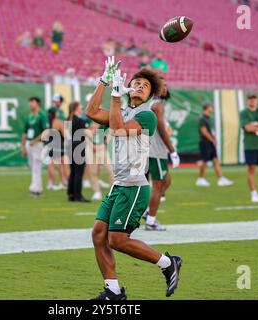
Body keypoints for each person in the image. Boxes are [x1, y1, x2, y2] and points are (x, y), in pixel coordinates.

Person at [86, 56, 182, 300]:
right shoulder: (124, 109)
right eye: (136, 82)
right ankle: (114, 291)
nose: (139, 86)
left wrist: (117, 97)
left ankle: (167, 262)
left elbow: (118, 128)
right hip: (119, 185)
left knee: (117, 240)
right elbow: (92, 111)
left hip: (134, 186)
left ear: (150, 96)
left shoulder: (147, 114)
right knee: (99, 234)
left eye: (145, 85)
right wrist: (104, 81)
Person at [143, 79, 180, 231]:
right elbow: (162, 130)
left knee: (166, 180)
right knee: (157, 186)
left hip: (151, 150)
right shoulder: (157, 105)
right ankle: (151, 221)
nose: (164, 88)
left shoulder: (152, 104)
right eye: (161, 85)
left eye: (165, 85)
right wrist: (173, 150)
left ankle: (146, 212)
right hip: (156, 151)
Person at [196, 102, 233, 187]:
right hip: (205, 142)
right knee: (205, 161)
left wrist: (214, 139)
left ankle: (220, 179)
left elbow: (211, 131)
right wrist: (212, 140)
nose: (212, 109)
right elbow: (204, 131)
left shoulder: (209, 118)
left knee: (215, 160)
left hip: (210, 142)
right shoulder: (202, 118)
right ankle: (200, 179)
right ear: (207, 108)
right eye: (211, 107)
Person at [85, 95, 114, 201]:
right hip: (91, 147)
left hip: (101, 147)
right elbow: (85, 132)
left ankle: (113, 190)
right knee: (92, 171)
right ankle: (96, 191)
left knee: (110, 169)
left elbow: (109, 132)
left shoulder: (104, 117)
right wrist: (91, 145)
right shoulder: (87, 117)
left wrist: (103, 144)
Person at [21, 97, 49, 196]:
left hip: (37, 144)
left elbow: (46, 131)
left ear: (37, 103)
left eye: (32, 102)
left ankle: (34, 189)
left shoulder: (42, 115)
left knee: (37, 167)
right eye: (30, 102)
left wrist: (35, 140)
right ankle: (38, 188)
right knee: (33, 166)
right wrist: (23, 146)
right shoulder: (29, 116)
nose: (30, 104)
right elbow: (24, 133)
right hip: (29, 144)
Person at [67, 101, 90, 202]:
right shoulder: (79, 120)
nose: (81, 108)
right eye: (80, 107)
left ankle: (71, 194)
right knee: (79, 172)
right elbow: (88, 133)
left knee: (73, 171)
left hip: (71, 146)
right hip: (78, 146)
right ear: (76, 108)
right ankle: (78, 195)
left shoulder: (69, 119)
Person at [44, 108, 67, 191]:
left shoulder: (48, 122)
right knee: (57, 164)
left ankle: (53, 182)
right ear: (55, 113)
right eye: (57, 112)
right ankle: (59, 182)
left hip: (50, 145)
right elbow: (65, 134)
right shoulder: (58, 122)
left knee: (53, 164)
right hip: (58, 145)